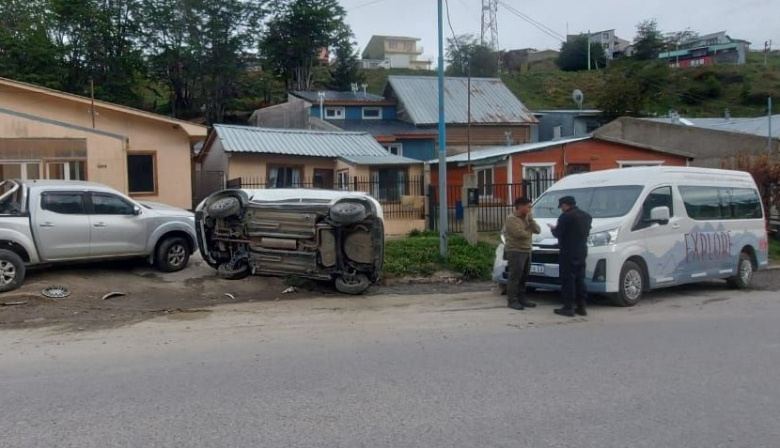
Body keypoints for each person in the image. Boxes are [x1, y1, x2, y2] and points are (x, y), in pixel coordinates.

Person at [549, 196, 592, 317]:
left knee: (568, 279)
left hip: (568, 252)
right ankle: (581, 307)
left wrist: (553, 229)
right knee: (580, 279)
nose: (561, 209)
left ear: (565, 205)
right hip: (582, 250)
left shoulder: (565, 217)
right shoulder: (586, 216)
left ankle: (568, 307)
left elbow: (558, 233)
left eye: (561, 206)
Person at [504, 197, 541, 310]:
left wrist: (531, 221)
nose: (530, 209)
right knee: (515, 276)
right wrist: (529, 231)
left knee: (524, 276)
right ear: (520, 206)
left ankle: (522, 297)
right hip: (515, 251)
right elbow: (520, 234)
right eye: (528, 206)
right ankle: (512, 300)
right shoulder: (512, 219)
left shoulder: (527, 218)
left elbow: (538, 230)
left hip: (527, 250)